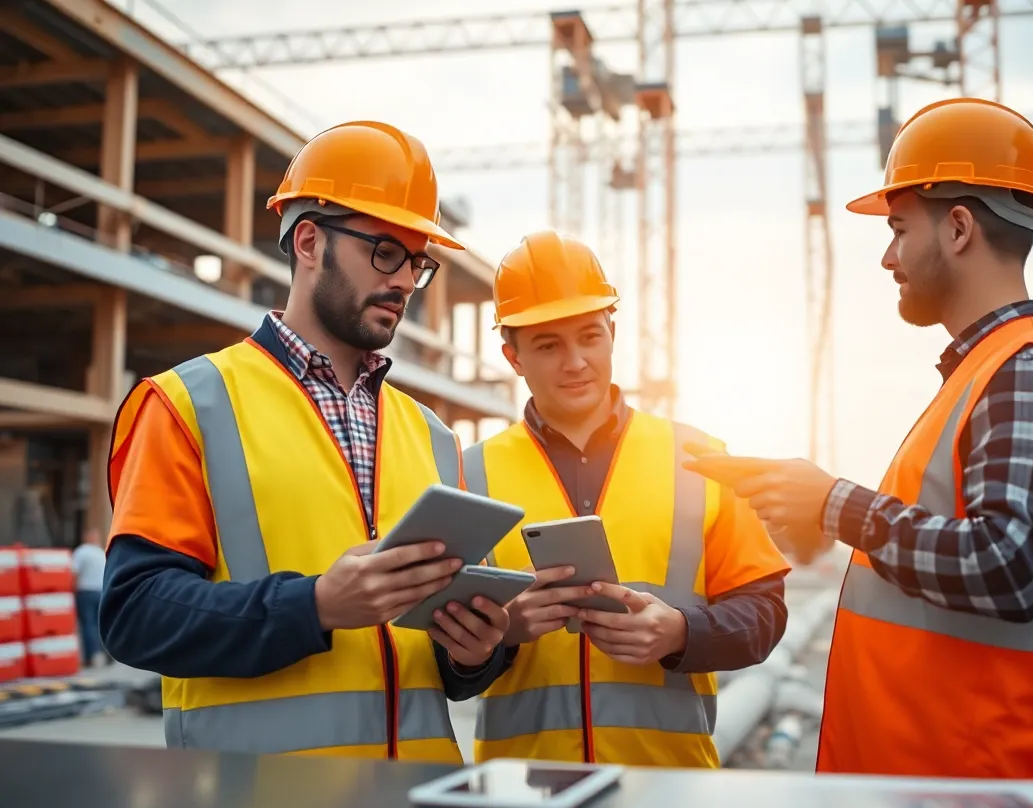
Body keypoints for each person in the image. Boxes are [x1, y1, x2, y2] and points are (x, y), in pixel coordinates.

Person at [686, 98, 1033, 784]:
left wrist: (834, 505)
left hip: (973, 797)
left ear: (956, 228)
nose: (888, 257)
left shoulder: (1026, 375)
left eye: (897, 230)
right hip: (925, 789)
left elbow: (1011, 565)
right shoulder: (984, 375)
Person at [100, 120, 510, 762]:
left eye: (417, 262)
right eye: (384, 251)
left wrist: (475, 652)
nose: (405, 281)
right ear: (311, 241)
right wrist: (315, 604)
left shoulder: (432, 436)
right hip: (256, 806)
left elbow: (439, 670)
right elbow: (136, 615)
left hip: (419, 806)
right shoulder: (187, 404)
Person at [461, 230, 792, 768]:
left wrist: (681, 632)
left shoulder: (699, 457)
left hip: (671, 790)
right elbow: (442, 654)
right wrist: (503, 631)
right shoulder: (467, 473)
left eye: (590, 336)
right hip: (524, 794)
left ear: (612, 333)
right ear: (513, 357)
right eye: (549, 345)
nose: (576, 362)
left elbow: (765, 614)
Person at [71, 528, 107, 667]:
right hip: (101, 592)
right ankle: (104, 654)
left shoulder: (81, 551)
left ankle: (91, 657)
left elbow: (74, 573)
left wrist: (71, 591)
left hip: (85, 592)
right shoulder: (100, 552)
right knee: (99, 625)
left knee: (88, 625)